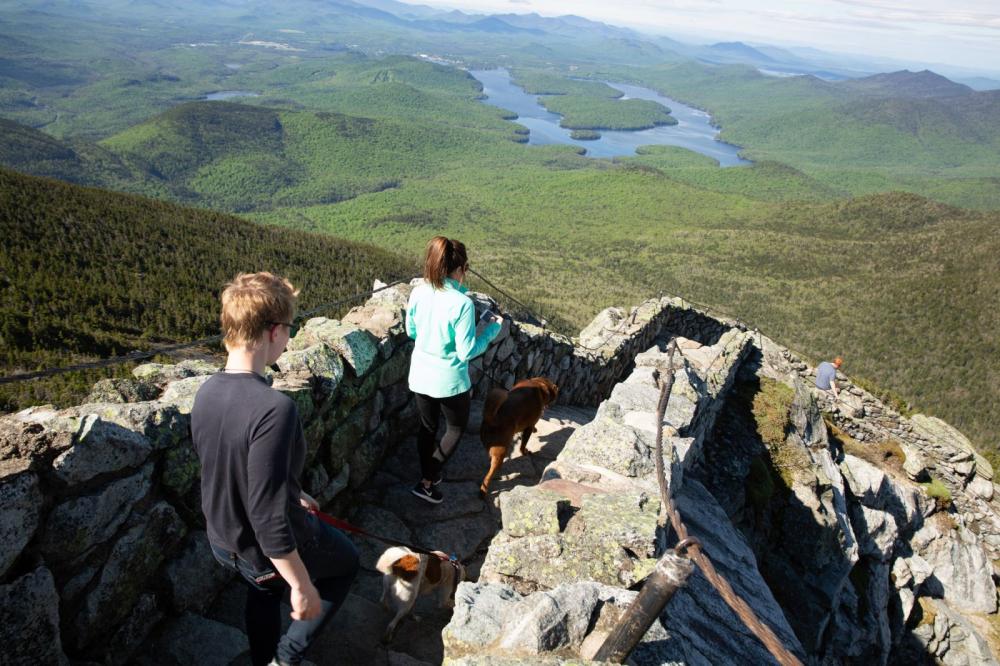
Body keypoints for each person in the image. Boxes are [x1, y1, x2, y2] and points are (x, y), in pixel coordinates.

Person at [191, 272, 359, 666]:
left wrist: (290, 491)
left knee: (263, 588)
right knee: (346, 563)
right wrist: (301, 586)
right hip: (264, 546)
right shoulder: (273, 409)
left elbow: (230, 465)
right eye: (289, 329)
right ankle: (285, 659)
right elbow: (268, 520)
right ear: (272, 332)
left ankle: (261, 656)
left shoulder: (206, 391)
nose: (289, 338)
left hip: (223, 541)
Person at [406, 236, 503, 504]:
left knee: (427, 428)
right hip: (450, 382)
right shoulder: (462, 305)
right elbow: (466, 351)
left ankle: (428, 474)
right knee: (455, 429)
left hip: (420, 375)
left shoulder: (418, 291)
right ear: (460, 269)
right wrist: (491, 330)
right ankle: (427, 481)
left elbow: (410, 330)